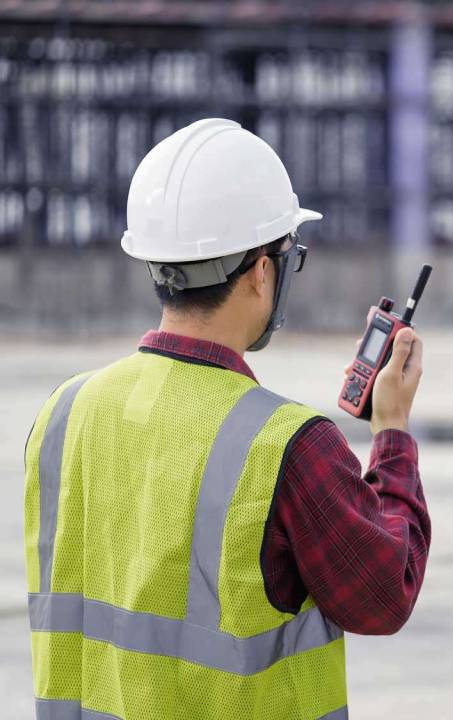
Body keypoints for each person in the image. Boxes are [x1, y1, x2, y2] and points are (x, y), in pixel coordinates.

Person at [23, 118, 430, 719]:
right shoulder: (288, 446)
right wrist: (391, 433)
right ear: (263, 271)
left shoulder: (64, 412)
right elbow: (382, 594)